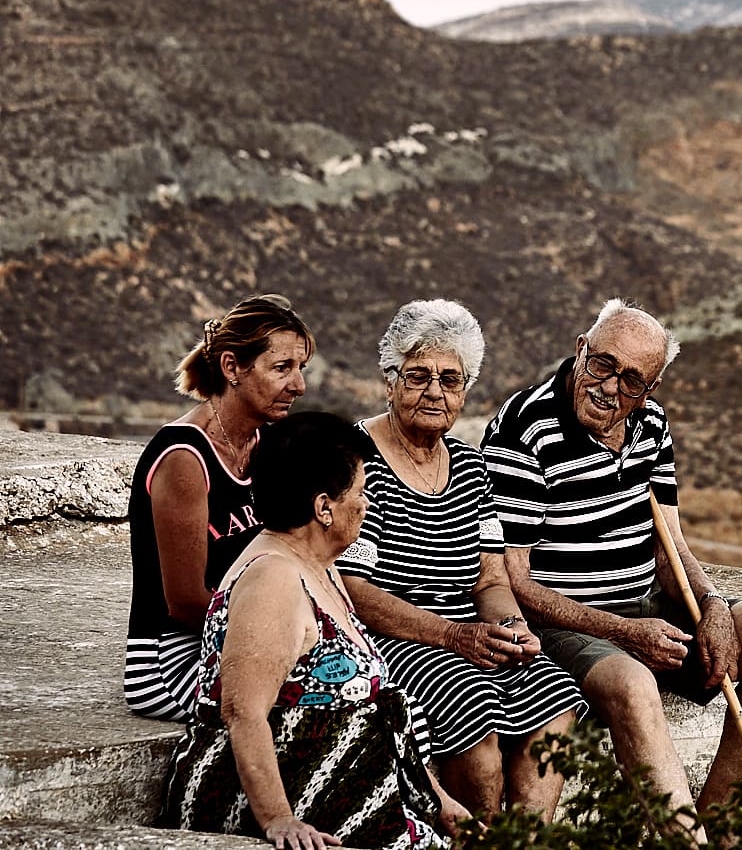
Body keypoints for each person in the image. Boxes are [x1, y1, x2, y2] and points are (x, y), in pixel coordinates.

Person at [483, 299, 742, 823]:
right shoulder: (527, 428)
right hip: (564, 621)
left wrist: (713, 607)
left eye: (633, 380)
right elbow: (514, 581)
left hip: (647, 606)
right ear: (580, 351)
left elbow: (671, 547)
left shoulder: (651, 423)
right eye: (603, 365)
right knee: (634, 682)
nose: (611, 388)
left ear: (651, 388)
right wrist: (624, 633)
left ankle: (719, 819)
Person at [160, 412, 468, 849]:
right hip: (287, 809)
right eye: (360, 493)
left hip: (348, 800)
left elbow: (378, 714)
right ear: (324, 507)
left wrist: (440, 802)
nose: (367, 505)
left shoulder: (318, 564)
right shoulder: (273, 579)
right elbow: (242, 712)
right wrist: (279, 819)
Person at [339, 299, 582, 818]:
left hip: (466, 630)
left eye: (450, 379)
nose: (434, 391)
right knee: (476, 715)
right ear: (389, 380)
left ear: (466, 391)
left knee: (556, 695)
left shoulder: (471, 466)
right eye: (418, 375)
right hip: (392, 636)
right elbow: (353, 591)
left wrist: (511, 629)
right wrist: (452, 636)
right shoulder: (357, 460)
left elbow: (491, 579)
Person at [126, 293, 314, 720]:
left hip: (243, 636)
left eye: (301, 368)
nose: (299, 385)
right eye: (282, 368)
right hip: (172, 660)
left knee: (376, 680)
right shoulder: (184, 458)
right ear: (232, 368)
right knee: (327, 696)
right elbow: (186, 603)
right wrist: (282, 638)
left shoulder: (266, 445)